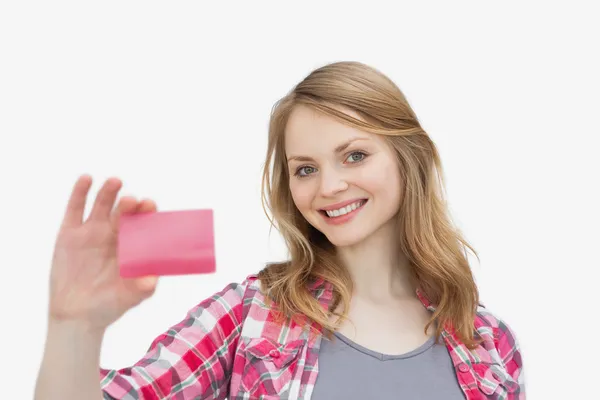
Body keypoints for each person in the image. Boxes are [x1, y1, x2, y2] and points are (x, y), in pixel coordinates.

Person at [34, 61, 525, 399]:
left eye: (354, 155)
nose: (330, 186)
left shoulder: (488, 341)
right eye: (305, 168)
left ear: (408, 158)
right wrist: (72, 328)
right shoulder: (251, 314)